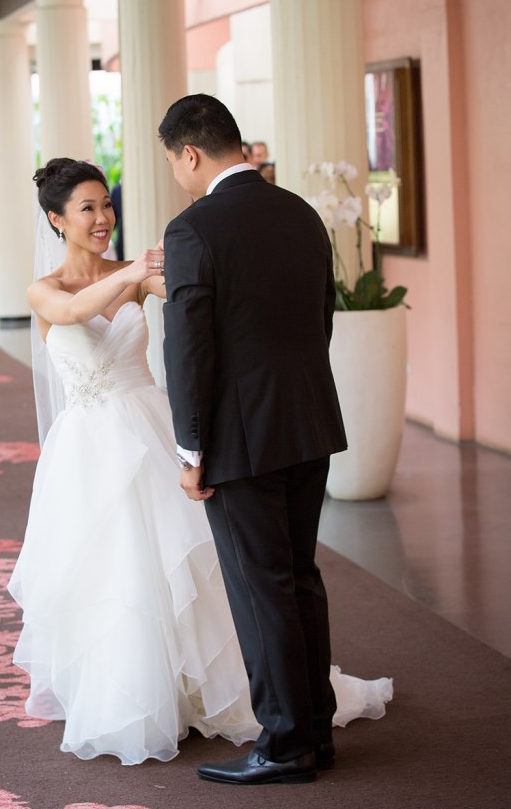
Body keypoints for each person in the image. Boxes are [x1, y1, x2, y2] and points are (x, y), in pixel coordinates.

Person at [9, 156, 392, 768]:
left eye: (107, 204)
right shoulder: (46, 289)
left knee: (189, 565)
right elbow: (71, 315)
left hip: (153, 429)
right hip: (90, 449)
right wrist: (135, 270)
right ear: (56, 220)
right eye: (87, 208)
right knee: (116, 571)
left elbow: (213, 294)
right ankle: (134, 697)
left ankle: (222, 693)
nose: (103, 217)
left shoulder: (134, 276)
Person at [160, 94, 350, 785]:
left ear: (188, 153)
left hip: (239, 440)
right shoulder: (299, 212)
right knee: (299, 578)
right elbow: (319, 318)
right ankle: (314, 732)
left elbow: (188, 351)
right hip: (308, 422)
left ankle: (284, 744)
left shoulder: (193, 229)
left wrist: (190, 449)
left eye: (174, 164)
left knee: (259, 588)